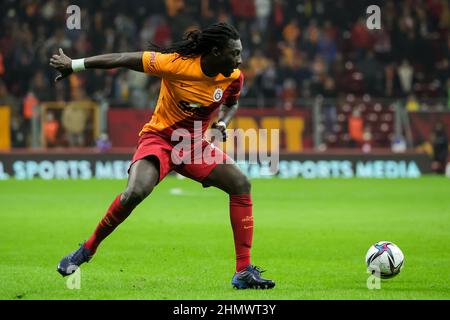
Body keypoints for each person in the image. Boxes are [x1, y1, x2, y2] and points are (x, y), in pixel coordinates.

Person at [49, 22, 275, 289]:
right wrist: (75, 65)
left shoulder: (233, 77)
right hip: (160, 140)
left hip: (193, 146)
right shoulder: (175, 64)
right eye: (234, 53)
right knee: (135, 192)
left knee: (241, 184)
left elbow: (231, 103)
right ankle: (87, 249)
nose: (239, 60)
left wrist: (223, 123)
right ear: (215, 51)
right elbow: (123, 58)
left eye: (240, 53)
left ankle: (243, 271)